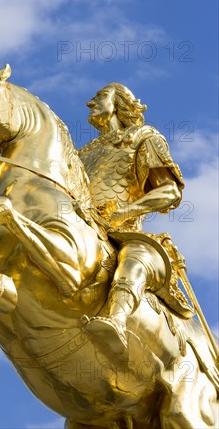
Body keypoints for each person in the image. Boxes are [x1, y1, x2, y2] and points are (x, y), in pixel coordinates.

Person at [78, 83, 187, 351]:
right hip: (80, 224)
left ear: (120, 104)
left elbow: (169, 191)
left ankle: (116, 317)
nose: (90, 103)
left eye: (100, 97)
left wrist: (125, 211)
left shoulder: (142, 137)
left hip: (120, 231)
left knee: (135, 257)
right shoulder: (80, 154)